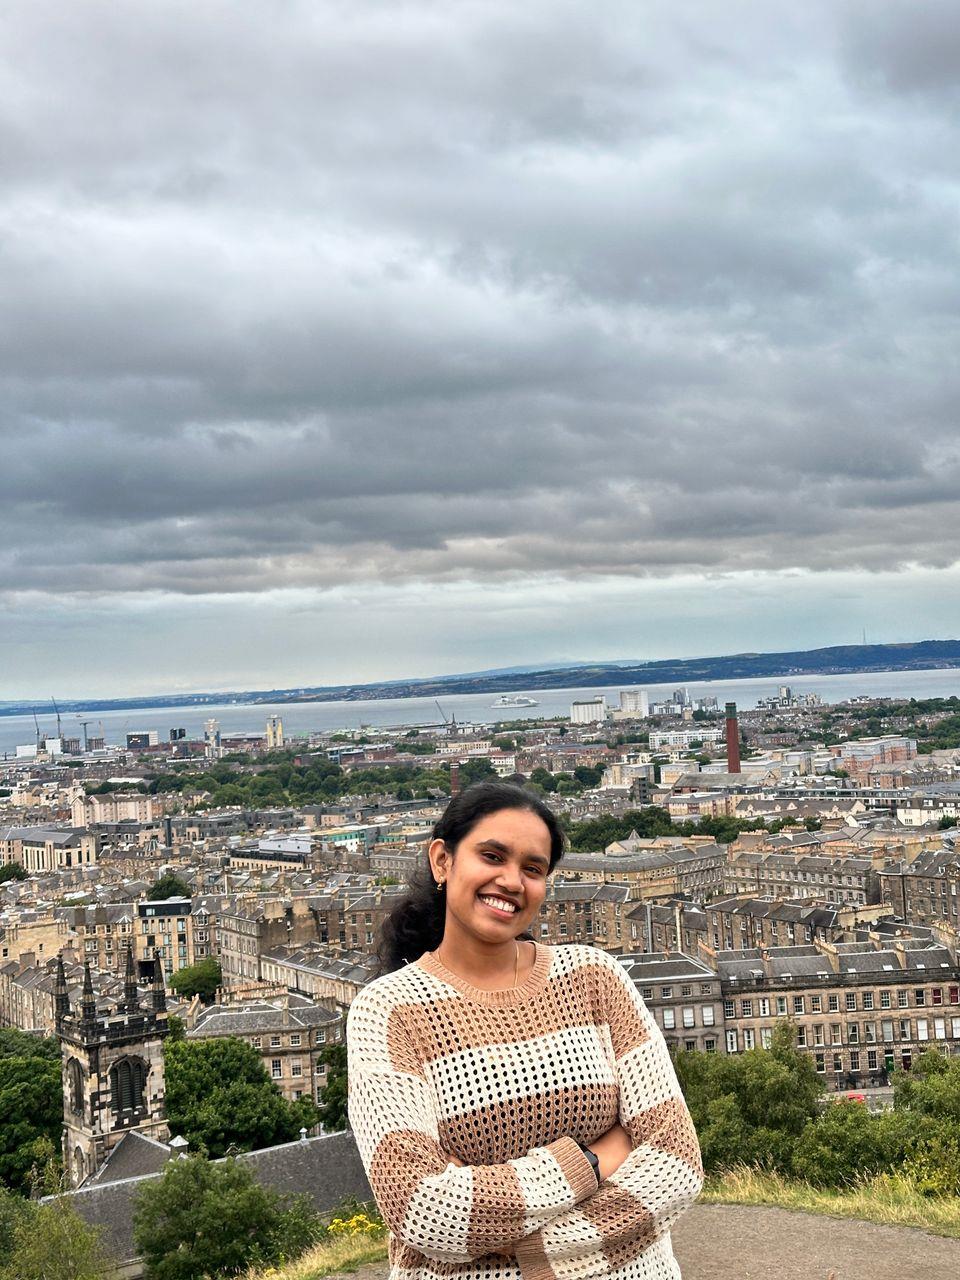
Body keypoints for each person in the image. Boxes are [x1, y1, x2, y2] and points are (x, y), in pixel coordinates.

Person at [347, 782, 703, 1280]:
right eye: (492, 855)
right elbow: (421, 1210)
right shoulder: (387, 1011)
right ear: (442, 861)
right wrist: (592, 1159)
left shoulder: (594, 977)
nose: (512, 880)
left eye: (533, 868)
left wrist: (511, 1242)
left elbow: (678, 1163)